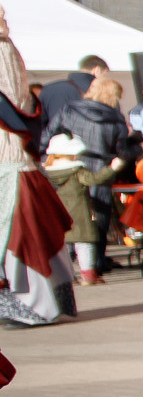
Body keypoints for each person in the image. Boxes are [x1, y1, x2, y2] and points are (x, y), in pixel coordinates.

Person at [0, 19, 75, 326]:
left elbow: (10, 104)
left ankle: (30, 304)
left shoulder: (2, 50)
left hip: (10, 159)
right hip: (13, 159)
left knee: (19, 235)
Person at [45, 133, 127, 285]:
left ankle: (67, 276)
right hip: (79, 214)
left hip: (54, 215)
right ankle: (88, 275)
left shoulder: (46, 172)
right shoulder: (77, 171)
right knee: (84, 244)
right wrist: (112, 168)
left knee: (61, 247)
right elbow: (94, 179)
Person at [37, 54, 107, 130]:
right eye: (104, 74)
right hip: (83, 139)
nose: (104, 78)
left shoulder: (49, 88)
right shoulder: (101, 93)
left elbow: (39, 123)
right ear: (97, 70)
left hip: (53, 139)